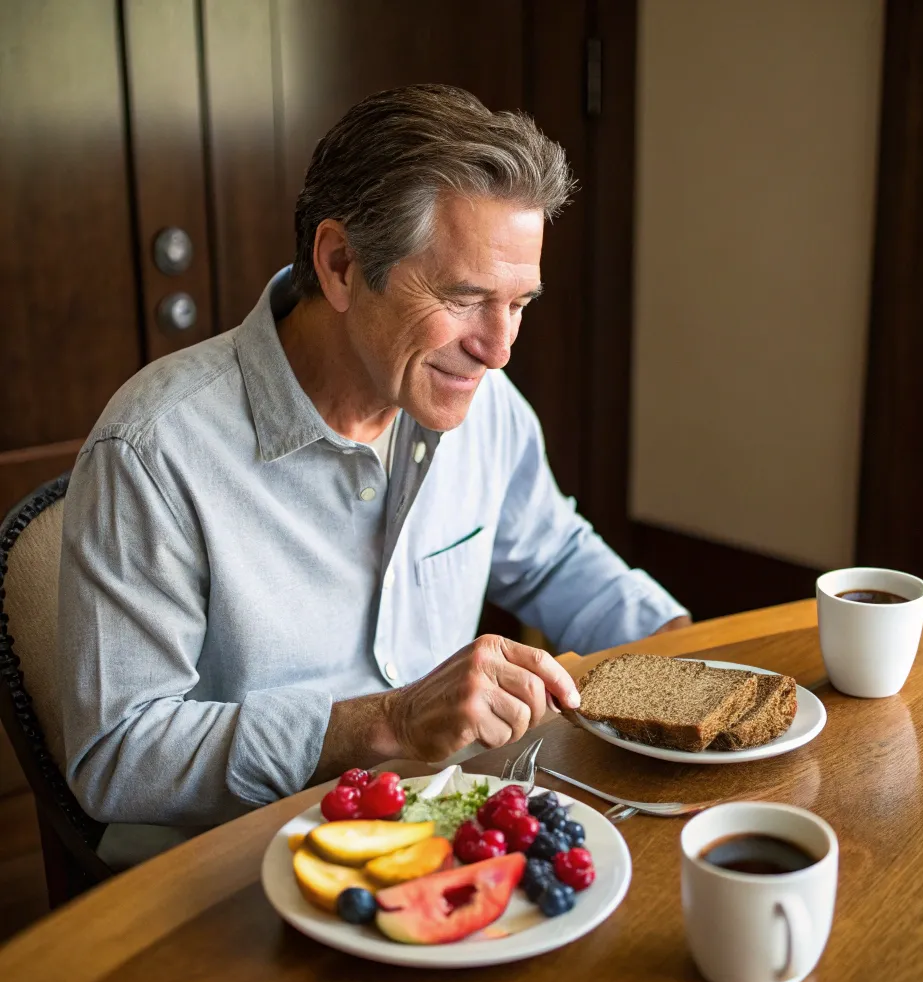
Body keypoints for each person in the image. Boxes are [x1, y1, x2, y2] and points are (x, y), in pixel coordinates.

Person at [58, 84, 690, 852]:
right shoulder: (153, 449)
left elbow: (552, 555)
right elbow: (117, 755)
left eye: (520, 303)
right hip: (221, 880)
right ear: (340, 263)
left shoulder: (479, 398)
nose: (499, 347)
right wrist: (383, 725)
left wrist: (681, 654)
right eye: (464, 298)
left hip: (438, 839)